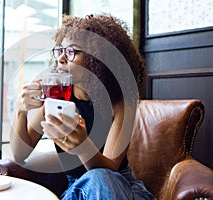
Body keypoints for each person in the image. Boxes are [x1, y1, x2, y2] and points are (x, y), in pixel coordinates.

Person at [10, 13, 156, 199]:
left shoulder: (120, 102)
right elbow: (19, 154)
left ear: (97, 58)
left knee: (100, 177)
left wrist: (82, 146)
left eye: (71, 51)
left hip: (123, 188)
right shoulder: (56, 96)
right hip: (78, 190)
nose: (61, 59)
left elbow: (109, 171)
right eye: (59, 50)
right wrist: (20, 111)